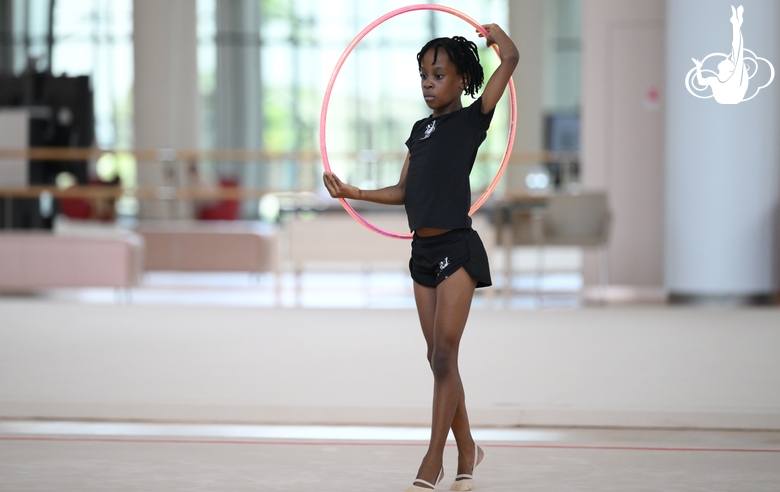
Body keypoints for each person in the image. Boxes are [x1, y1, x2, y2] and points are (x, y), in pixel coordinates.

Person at [323, 24, 518, 491]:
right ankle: (469, 447)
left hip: (456, 248)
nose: (429, 83)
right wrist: (354, 190)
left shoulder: (474, 119)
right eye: (423, 76)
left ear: (460, 80)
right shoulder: (419, 130)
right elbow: (405, 191)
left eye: (439, 74)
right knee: (437, 358)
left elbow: (510, 60)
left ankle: (434, 458)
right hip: (422, 252)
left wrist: (495, 37)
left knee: (446, 352)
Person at [692, 5, 748, 104]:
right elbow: (701, 82)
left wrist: (736, 26)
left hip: (733, 97)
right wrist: (698, 67)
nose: (725, 59)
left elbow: (737, 49)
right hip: (728, 99)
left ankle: (736, 23)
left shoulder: (734, 78)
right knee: (736, 50)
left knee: (737, 50)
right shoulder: (714, 80)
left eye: (728, 61)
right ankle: (736, 23)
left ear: (729, 69)